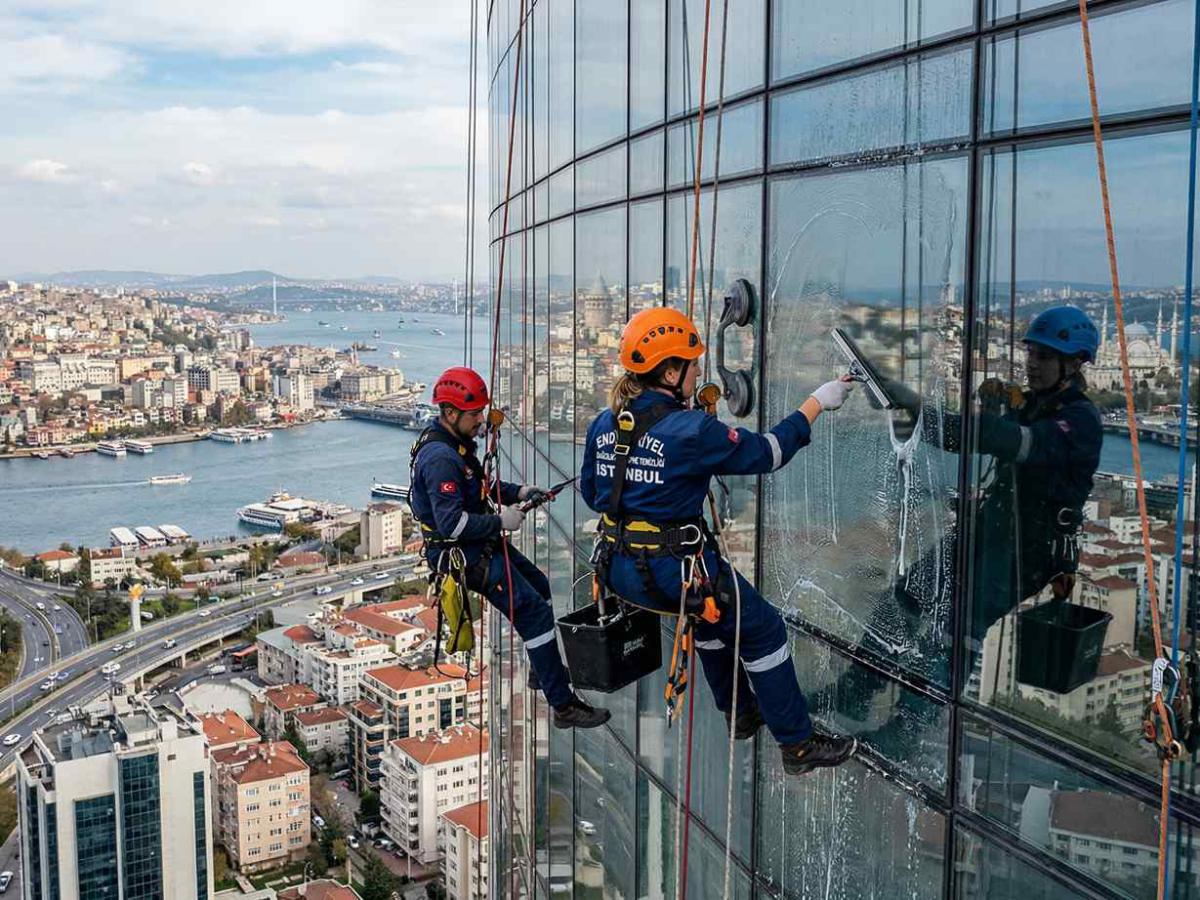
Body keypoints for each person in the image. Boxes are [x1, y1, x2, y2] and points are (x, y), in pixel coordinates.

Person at [580, 307, 858, 777]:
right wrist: (816, 402)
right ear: (670, 372)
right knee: (764, 629)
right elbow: (768, 453)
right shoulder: (691, 430)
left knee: (711, 620)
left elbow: (594, 494)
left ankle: (740, 712)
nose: (697, 373)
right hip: (675, 570)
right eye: (692, 366)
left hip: (620, 567)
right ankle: (797, 744)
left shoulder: (605, 424)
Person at [410, 366, 610, 729]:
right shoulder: (440, 458)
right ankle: (563, 706)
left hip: (478, 543)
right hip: (463, 554)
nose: (481, 420)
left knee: (539, 586)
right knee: (532, 612)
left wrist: (518, 493)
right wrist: (501, 521)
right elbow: (451, 524)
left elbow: (478, 486)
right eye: (475, 414)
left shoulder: (453, 445)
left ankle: (542, 668)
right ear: (451, 413)